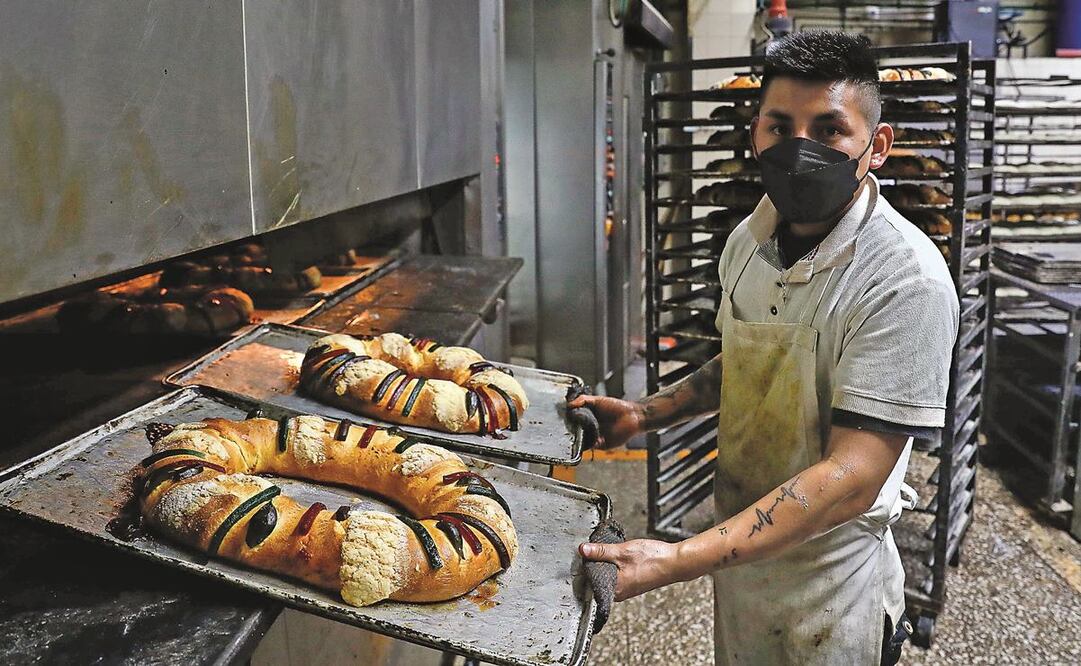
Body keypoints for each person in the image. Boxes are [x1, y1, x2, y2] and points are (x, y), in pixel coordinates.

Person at [570, 31, 959, 665]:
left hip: (830, 586)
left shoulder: (903, 278)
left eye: (829, 129)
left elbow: (852, 478)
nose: (799, 146)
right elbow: (759, 359)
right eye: (780, 126)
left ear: (877, 147)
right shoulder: (749, 240)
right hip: (742, 558)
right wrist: (647, 414)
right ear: (755, 135)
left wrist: (673, 558)